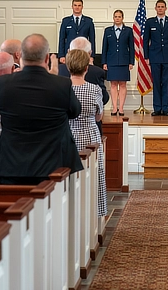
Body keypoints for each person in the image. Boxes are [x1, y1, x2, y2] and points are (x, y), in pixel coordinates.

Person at [0, 34, 83, 184]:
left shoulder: (4, 83)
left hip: (12, 164)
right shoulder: (62, 84)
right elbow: (75, 112)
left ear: (20, 56)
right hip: (53, 166)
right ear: (47, 58)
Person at [66, 49, 107, 217]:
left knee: (70, 178)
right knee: (94, 177)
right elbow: (98, 116)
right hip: (90, 135)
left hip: (68, 136)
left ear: (68, 67)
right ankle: (95, 214)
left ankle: (71, 212)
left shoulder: (62, 87)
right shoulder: (94, 89)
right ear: (86, 68)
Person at [143, 0, 168, 116]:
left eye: (162, 7)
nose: (160, 8)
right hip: (154, 57)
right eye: (158, 7)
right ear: (155, 8)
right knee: (156, 83)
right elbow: (145, 40)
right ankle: (157, 108)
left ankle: (165, 108)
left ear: (166, 8)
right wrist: (147, 56)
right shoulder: (150, 22)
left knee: (165, 82)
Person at [102, 10, 134, 116]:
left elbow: (131, 47)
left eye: (119, 17)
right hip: (112, 61)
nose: (117, 18)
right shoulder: (108, 31)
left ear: (122, 18)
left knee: (123, 84)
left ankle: (121, 108)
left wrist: (131, 62)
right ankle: (114, 107)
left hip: (124, 61)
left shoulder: (128, 31)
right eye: (115, 16)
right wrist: (104, 62)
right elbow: (104, 48)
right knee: (113, 84)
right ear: (113, 18)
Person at [58, 0, 96, 64]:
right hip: (69, 53)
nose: (77, 7)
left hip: (84, 53)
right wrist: (61, 55)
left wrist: (91, 56)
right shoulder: (65, 21)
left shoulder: (88, 21)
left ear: (82, 7)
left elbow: (92, 39)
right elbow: (62, 39)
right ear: (72, 6)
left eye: (79, 5)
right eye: (75, 5)